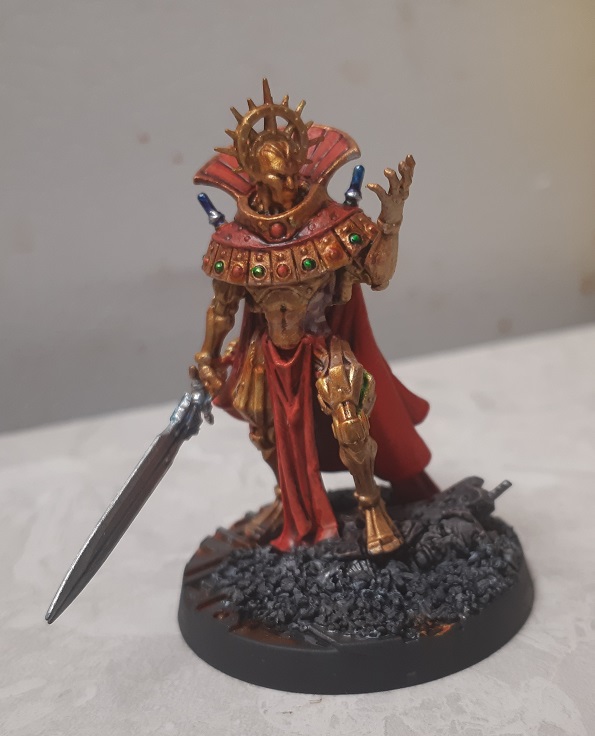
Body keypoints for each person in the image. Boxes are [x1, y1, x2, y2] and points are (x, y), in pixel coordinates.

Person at [191, 80, 436, 556]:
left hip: (322, 343)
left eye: (289, 174)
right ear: (254, 176)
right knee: (263, 429)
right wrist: (208, 355)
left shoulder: (333, 225)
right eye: (274, 178)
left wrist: (391, 222)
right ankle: (290, 500)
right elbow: (222, 308)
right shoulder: (235, 242)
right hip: (266, 354)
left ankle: (371, 506)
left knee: (349, 417)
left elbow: (377, 275)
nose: (285, 186)